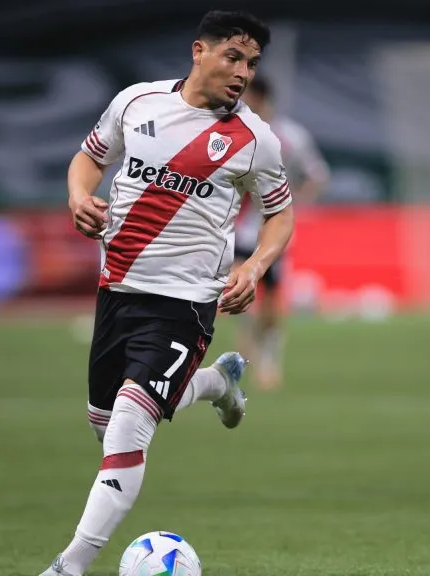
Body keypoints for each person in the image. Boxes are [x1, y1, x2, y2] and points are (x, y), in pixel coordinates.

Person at [41, 10, 294, 576]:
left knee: (129, 425)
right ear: (199, 51)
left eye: (252, 63)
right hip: (117, 291)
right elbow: (89, 158)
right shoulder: (137, 102)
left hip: (185, 303)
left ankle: (68, 566)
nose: (243, 72)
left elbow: (281, 215)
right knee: (106, 424)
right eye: (233, 57)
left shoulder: (255, 139)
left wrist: (254, 267)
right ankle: (216, 383)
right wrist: (78, 196)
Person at [234, 74, 330, 389]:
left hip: (274, 230)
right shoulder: (233, 130)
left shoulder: (290, 137)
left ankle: (268, 356)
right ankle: (246, 342)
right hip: (238, 229)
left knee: (272, 297)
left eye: (245, 95)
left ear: (259, 97)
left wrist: (292, 202)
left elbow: (317, 175)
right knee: (239, 286)